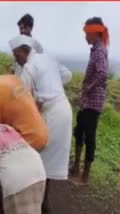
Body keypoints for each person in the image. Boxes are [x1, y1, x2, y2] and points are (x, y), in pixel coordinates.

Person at [9, 34, 73, 213]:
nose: (16, 59)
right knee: (49, 162)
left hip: (51, 114)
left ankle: (36, 202)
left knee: (37, 158)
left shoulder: (29, 68)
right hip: (64, 110)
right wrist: (51, 87)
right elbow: (67, 75)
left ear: (25, 50)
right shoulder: (47, 58)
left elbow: (20, 99)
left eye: (17, 55)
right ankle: (43, 201)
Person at [69, 17, 109, 186]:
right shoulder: (96, 49)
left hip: (93, 102)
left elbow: (103, 74)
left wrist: (87, 88)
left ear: (94, 33)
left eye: (86, 33)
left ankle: (85, 176)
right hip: (87, 101)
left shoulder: (99, 51)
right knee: (79, 131)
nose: (85, 37)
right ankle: (76, 167)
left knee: (89, 136)